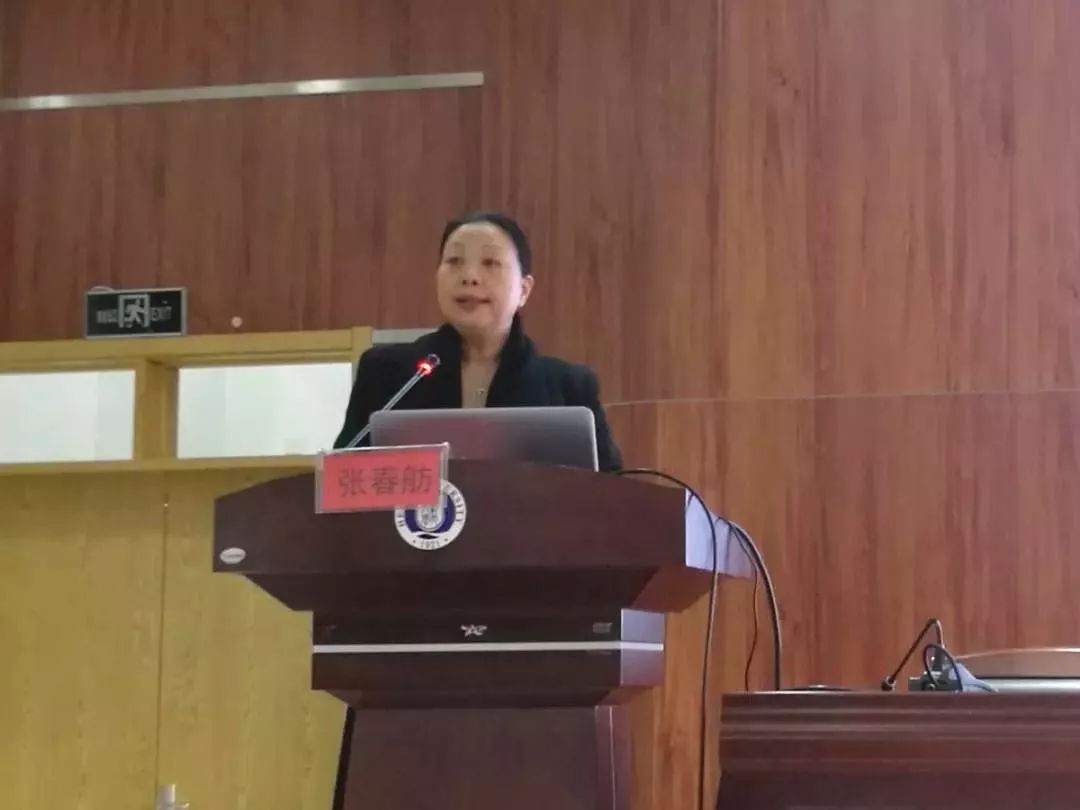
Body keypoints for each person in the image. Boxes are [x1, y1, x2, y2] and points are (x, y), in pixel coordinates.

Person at [332, 210, 622, 471]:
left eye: (490, 262)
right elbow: (341, 479)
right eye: (454, 261)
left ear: (524, 290)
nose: (469, 276)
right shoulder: (385, 374)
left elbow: (611, 493)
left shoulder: (569, 388)